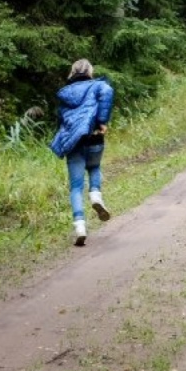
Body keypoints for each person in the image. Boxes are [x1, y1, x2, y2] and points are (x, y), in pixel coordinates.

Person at [50, 59, 115, 246]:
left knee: (76, 187)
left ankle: (80, 227)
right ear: (89, 71)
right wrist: (102, 121)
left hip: (73, 143)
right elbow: (108, 92)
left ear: (73, 72)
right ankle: (95, 195)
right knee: (94, 167)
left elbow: (61, 119)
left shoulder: (65, 93)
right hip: (94, 136)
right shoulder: (98, 86)